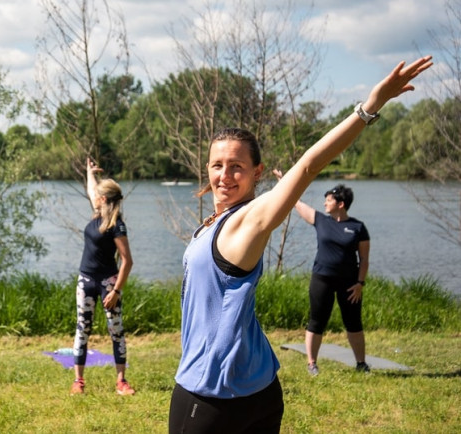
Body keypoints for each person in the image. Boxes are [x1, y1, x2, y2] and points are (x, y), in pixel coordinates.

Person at [168, 55, 432, 433]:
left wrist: (369, 107)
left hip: (213, 395)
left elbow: (308, 166)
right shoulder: (215, 221)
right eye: (217, 165)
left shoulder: (250, 219)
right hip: (256, 385)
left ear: (258, 172)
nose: (225, 175)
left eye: (237, 166)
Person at [272, 177, 370, 376]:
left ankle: (361, 363)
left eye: (329, 200)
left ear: (340, 204)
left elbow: (364, 259)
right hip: (322, 279)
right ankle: (312, 364)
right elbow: (296, 202)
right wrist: (284, 180)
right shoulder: (320, 220)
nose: (325, 202)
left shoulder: (358, 228)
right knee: (316, 321)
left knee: (353, 323)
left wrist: (360, 283)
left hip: (350, 284)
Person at [70, 157, 135, 396]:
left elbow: (127, 261)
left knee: (115, 330)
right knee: (82, 329)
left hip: (108, 283)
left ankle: (121, 382)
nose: (93, 195)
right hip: (86, 281)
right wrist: (89, 172)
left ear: (104, 199)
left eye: (98, 194)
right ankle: (78, 381)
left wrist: (116, 291)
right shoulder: (97, 212)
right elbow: (91, 188)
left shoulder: (116, 224)